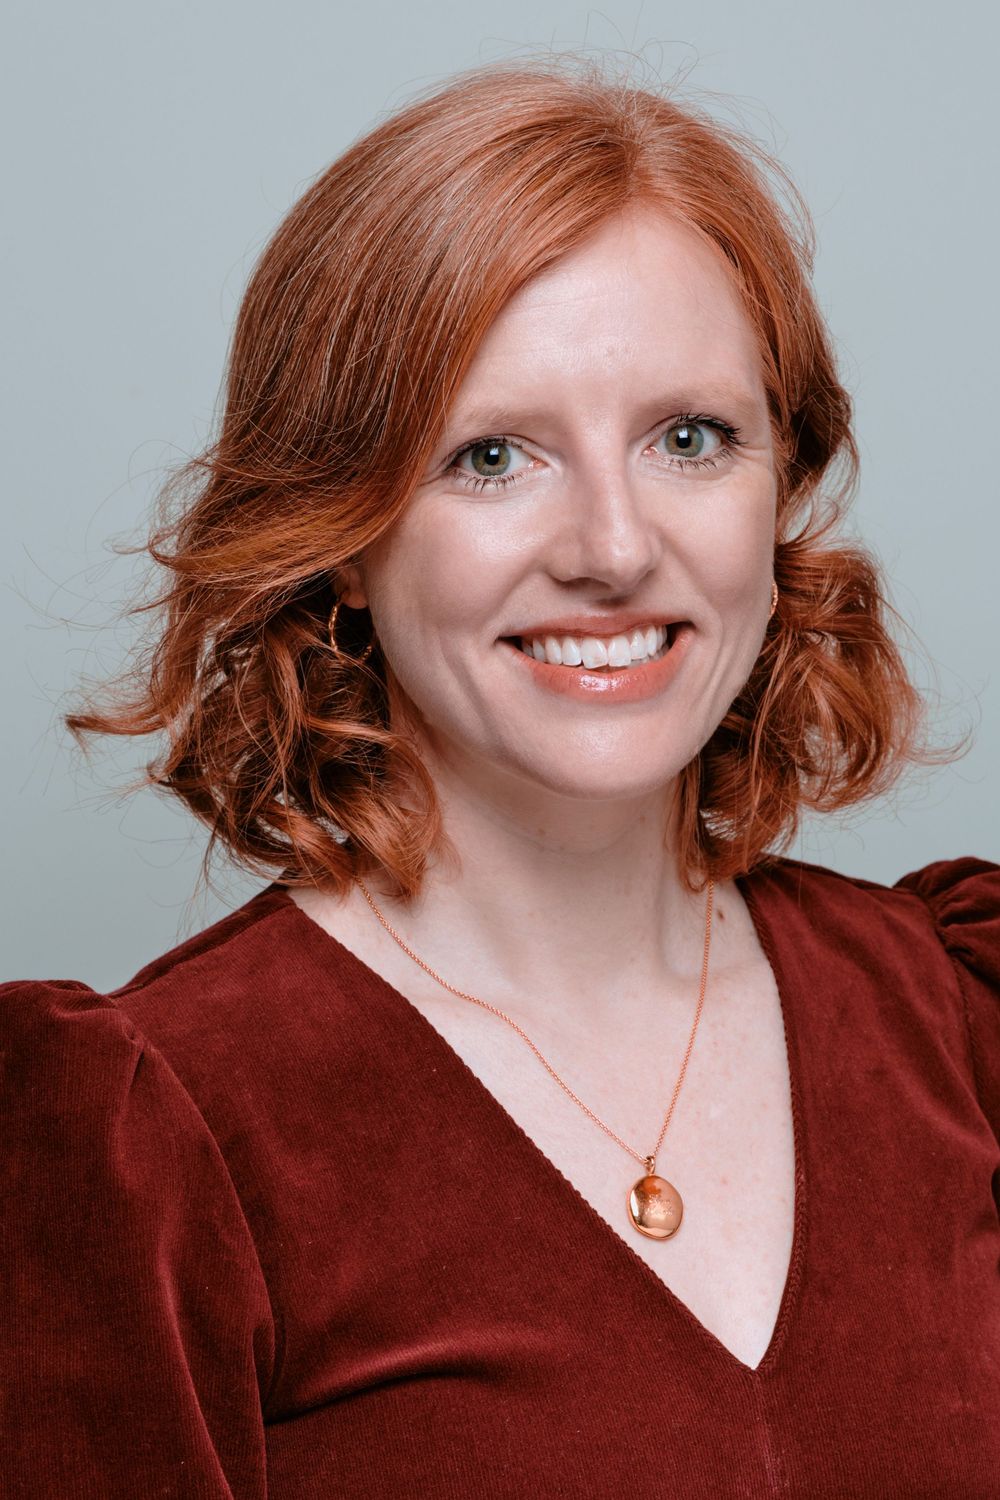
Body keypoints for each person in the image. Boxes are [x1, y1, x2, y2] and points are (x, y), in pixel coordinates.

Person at [2, 56, 997, 1499]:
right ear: (341, 531)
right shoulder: (157, 1138)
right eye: (489, 456)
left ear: (780, 487)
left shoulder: (951, 1019)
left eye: (690, 438)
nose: (611, 544)